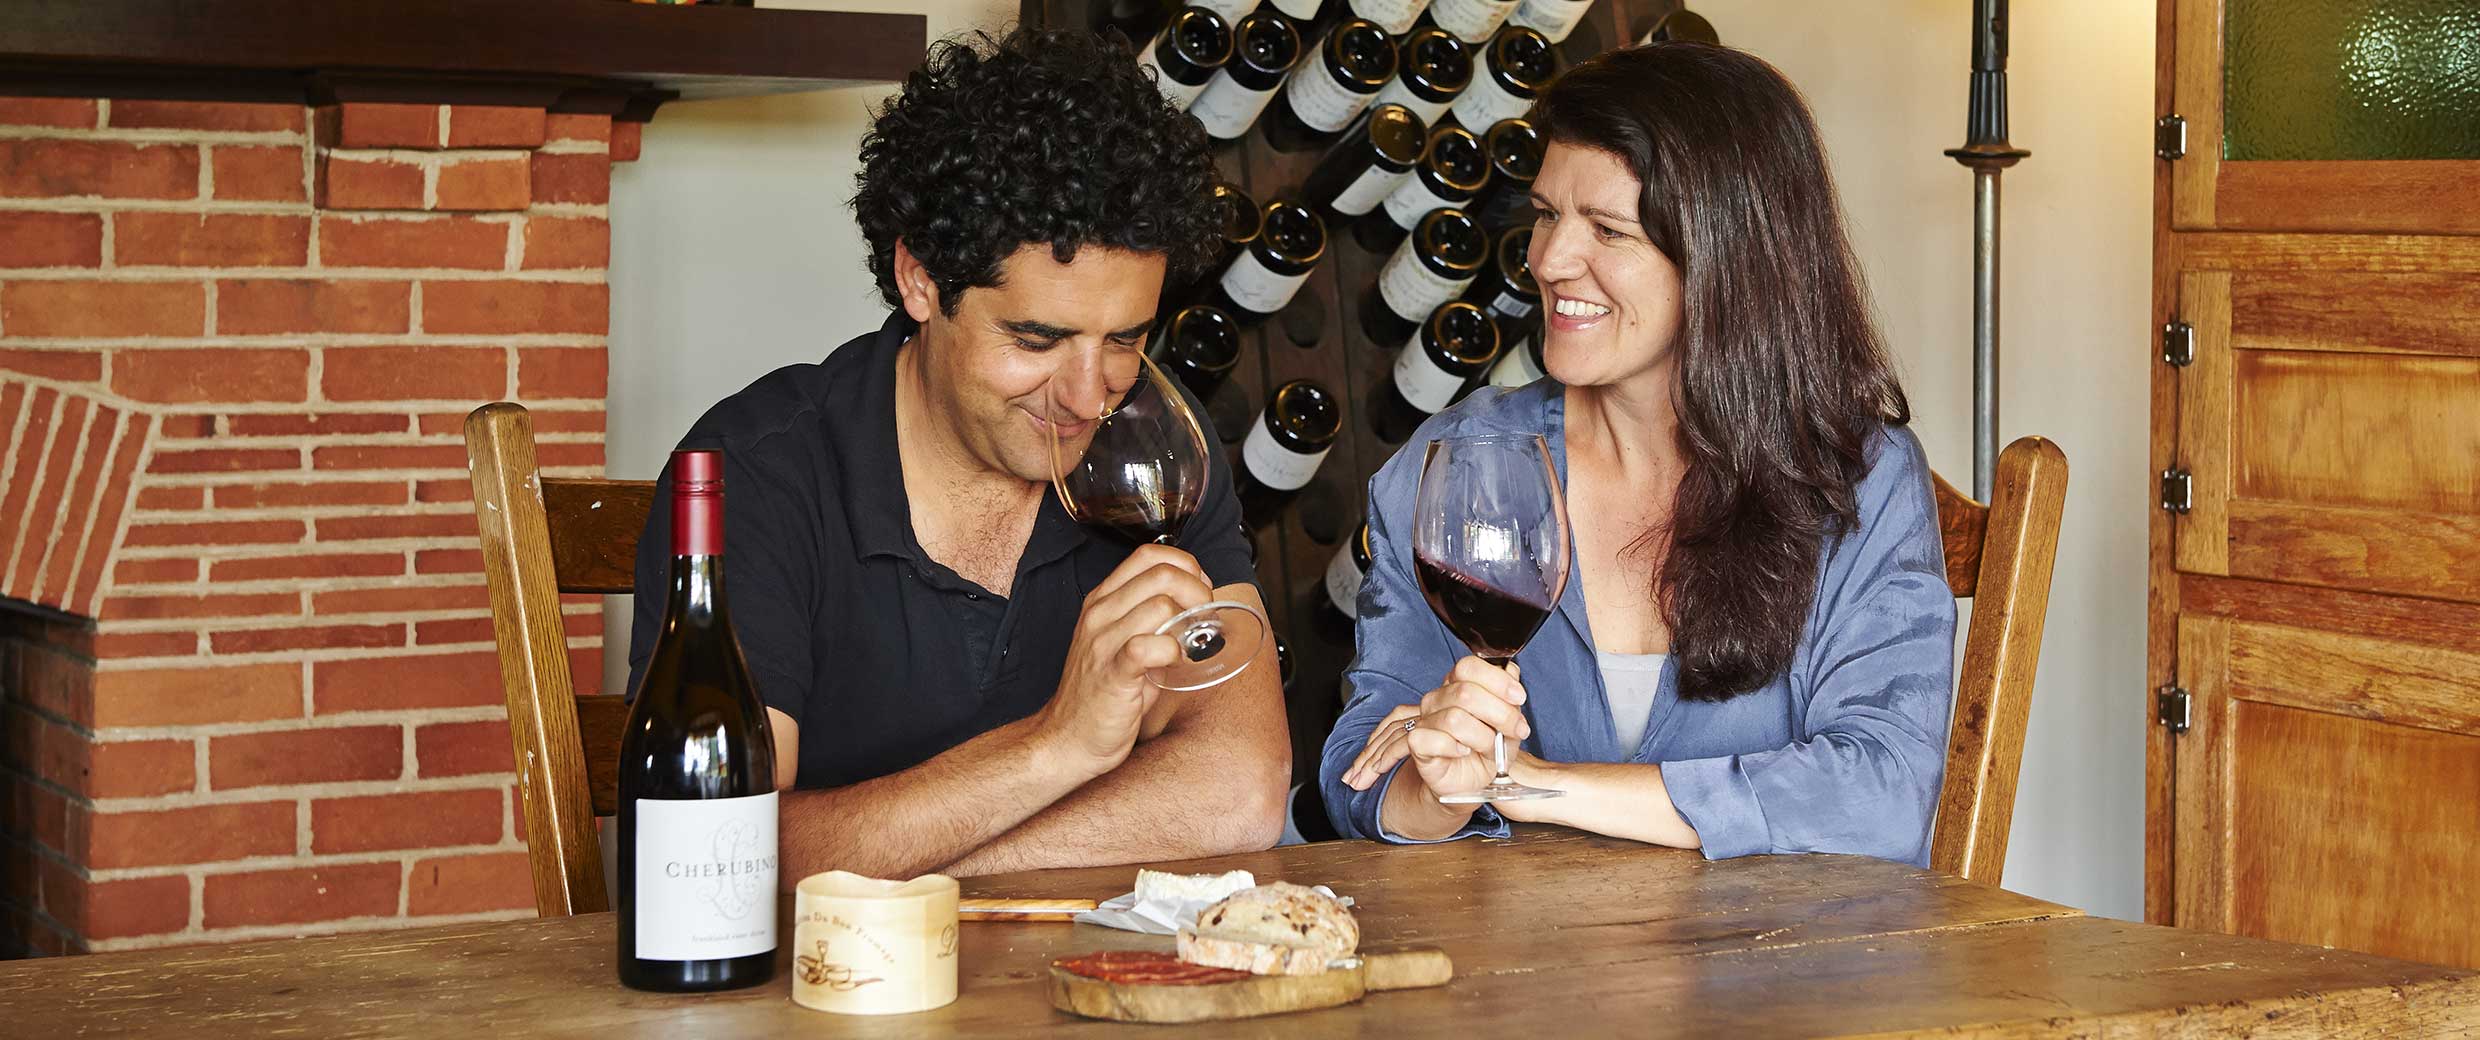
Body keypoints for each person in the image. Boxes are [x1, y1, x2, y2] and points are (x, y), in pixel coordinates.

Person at [627, 29, 1289, 882]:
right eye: (1037, 338)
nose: (1089, 396)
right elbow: (726, 859)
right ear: (921, 281)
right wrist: (1060, 746)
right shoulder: (756, 474)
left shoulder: (1156, 454)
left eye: (1124, 338)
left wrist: (929, 875)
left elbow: (1241, 789)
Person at [1320, 42, 1956, 864]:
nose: (1548, 261)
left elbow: (1882, 798)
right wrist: (1434, 781)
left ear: (1731, 258)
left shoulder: (1860, 479)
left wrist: (1530, 785)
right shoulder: (1459, 465)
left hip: (1781, 980)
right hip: (1530, 978)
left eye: (1608, 230)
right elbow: (1358, 770)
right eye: (1546, 214)